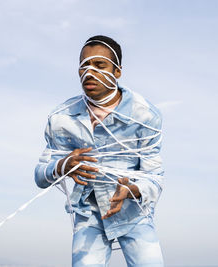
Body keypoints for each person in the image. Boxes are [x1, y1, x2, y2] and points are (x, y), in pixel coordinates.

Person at [35, 35, 164, 267]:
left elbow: (155, 177)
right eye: (83, 65)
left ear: (117, 72)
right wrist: (62, 166)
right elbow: (40, 175)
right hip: (88, 215)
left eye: (99, 65)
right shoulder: (61, 118)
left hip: (135, 214)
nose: (89, 72)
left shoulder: (145, 115)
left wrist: (133, 189)